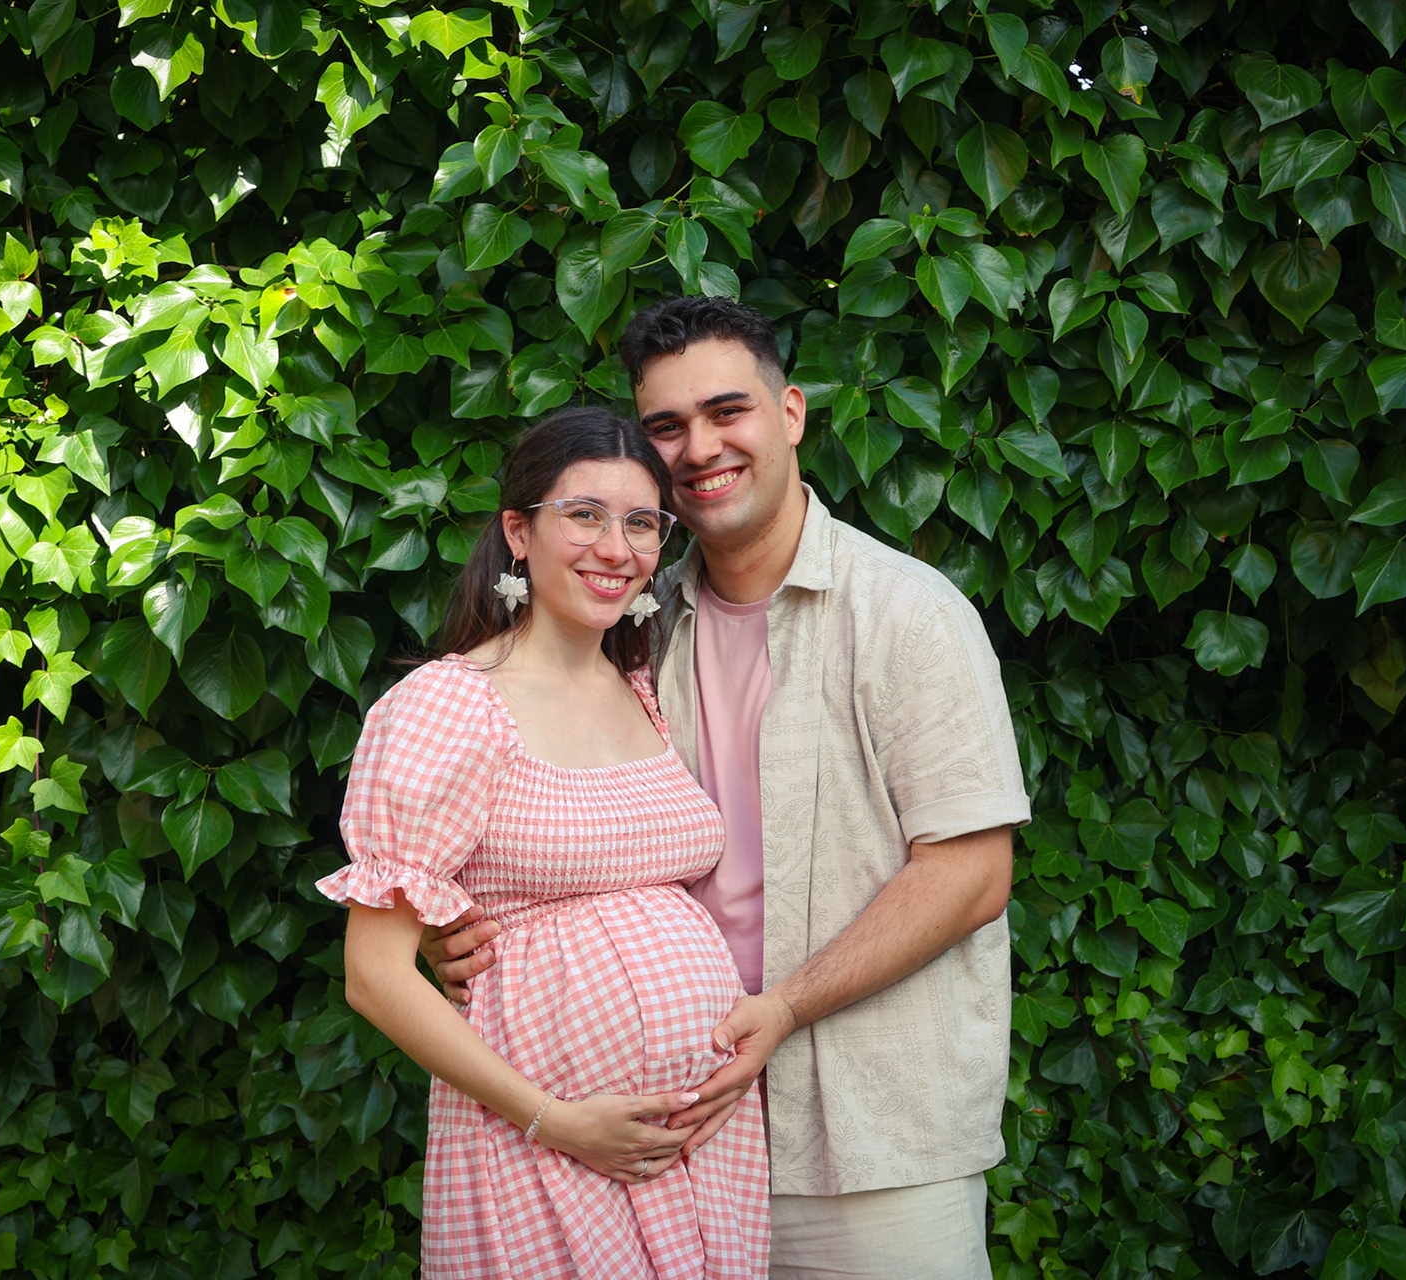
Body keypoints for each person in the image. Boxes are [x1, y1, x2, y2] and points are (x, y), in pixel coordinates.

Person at [428, 298, 1031, 1279]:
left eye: (727, 410)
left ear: (790, 414)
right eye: (666, 426)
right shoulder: (631, 627)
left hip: (870, 1147)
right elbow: (530, 816)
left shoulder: (907, 614)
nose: (700, 446)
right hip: (666, 1142)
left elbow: (970, 874)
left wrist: (785, 1005)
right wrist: (449, 927)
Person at [317, 406, 769, 1279]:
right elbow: (374, 977)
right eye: (584, 515)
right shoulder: (451, 706)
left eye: (642, 522)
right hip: (543, 1140)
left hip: (700, 1147)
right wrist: (555, 1121)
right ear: (518, 533)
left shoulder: (643, 686)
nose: (616, 547)